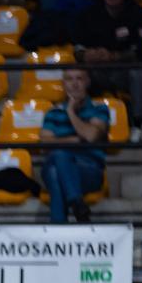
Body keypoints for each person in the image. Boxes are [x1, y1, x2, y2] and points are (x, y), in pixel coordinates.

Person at [71, 0, 142, 125]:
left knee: (140, 73)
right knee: (75, 72)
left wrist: (114, 56)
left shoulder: (138, 14)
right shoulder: (88, 14)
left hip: (123, 71)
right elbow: (77, 49)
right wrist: (86, 54)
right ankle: (78, 120)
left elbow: (141, 52)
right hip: (96, 70)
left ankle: (139, 124)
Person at [39, 68, 109, 223]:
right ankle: (77, 204)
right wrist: (73, 140)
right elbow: (44, 144)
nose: (75, 84)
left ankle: (59, 233)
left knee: (55, 169)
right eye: (69, 79)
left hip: (89, 171)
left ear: (87, 82)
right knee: (58, 160)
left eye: (79, 79)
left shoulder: (100, 109)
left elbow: (91, 136)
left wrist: (70, 111)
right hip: (63, 168)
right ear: (63, 84)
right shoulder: (53, 113)